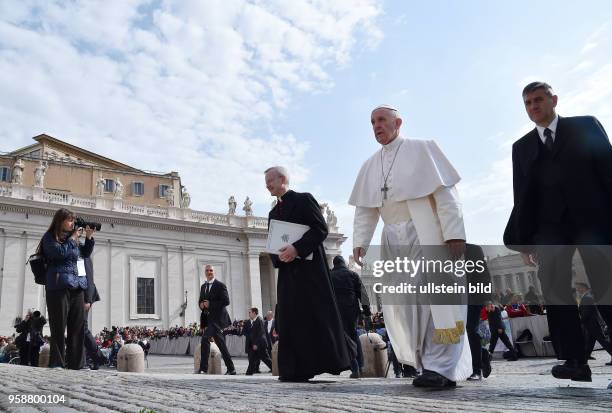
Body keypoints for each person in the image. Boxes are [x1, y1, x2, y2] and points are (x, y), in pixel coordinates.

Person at [349, 105, 471, 388]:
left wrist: (454, 233)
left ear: (398, 122)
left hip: (425, 232)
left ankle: (442, 366)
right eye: (372, 122)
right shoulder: (370, 165)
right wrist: (360, 242)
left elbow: (446, 194)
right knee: (407, 304)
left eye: (381, 120)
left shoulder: (423, 149)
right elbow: (366, 209)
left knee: (435, 302)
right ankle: (427, 363)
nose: (376, 126)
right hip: (393, 239)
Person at [504, 81, 612, 382]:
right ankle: (575, 361)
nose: (533, 106)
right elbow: (522, 196)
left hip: (594, 224)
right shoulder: (522, 147)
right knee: (557, 296)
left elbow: (608, 171)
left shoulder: (585, 126)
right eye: (527, 103)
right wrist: (525, 241)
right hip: (549, 231)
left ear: (553, 100)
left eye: (538, 100)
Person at [265, 166, 351, 382]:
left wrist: (296, 249)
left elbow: (320, 228)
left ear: (282, 179)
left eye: (270, 181)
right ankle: (293, 370)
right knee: (289, 318)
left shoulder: (304, 200)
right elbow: (272, 245)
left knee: (312, 316)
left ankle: (317, 364)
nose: (267, 185)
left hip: (310, 272)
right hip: (288, 274)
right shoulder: (273, 213)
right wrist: (278, 256)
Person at [41, 208, 94, 369]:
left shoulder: (74, 239)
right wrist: (72, 239)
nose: (73, 223)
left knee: (77, 326)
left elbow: (84, 254)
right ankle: (57, 362)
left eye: (73, 220)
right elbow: (58, 253)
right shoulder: (50, 237)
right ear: (60, 221)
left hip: (77, 286)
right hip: (59, 285)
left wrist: (89, 238)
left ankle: (77, 364)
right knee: (58, 325)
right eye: (70, 220)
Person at [330, 255, 369, 379]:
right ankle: (360, 365)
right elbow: (362, 294)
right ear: (344, 264)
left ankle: (355, 367)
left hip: (336, 312)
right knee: (353, 335)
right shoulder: (352, 274)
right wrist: (367, 310)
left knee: (344, 337)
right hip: (352, 310)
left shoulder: (329, 275)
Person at [197, 265, 236, 375]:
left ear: (214, 272)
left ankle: (203, 369)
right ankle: (231, 369)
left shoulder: (220, 285)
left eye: (211, 270)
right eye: (207, 270)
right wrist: (200, 304)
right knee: (221, 344)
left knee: (205, 339)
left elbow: (226, 301)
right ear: (204, 272)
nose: (209, 272)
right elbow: (200, 300)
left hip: (218, 320)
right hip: (209, 319)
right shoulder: (203, 286)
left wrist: (210, 304)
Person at [465, 244, 492, 381]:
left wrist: (487, 298)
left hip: (473, 297)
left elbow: (484, 274)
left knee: (471, 329)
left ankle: (477, 370)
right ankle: (483, 353)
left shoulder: (473, 249)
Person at [575, 282, 612, 365]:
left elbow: (587, 312)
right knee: (589, 343)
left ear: (583, 287)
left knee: (604, 342)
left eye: (578, 287)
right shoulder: (587, 296)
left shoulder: (587, 297)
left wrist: (580, 321)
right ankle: (584, 359)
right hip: (591, 325)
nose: (577, 289)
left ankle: (583, 360)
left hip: (594, 324)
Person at [82, 255, 106, 370]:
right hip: (76, 295)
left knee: (83, 329)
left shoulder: (82, 253)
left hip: (83, 297)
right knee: (78, 331)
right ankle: (88, 359)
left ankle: (99, 358)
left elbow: (89, 278)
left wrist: (88, 299)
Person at [244, 308, 272, 375]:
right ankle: (249, 373)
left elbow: (261, 334)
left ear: (254, 313)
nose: (249, 314)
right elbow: (246, 332)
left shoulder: (259, 320)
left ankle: (276, 369)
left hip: (260, 345)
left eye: (250, 312)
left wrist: (256, 344)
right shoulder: (250, 321)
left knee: (266, 359)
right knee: (252, 359)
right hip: (253, 345)